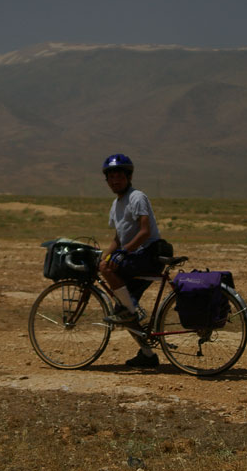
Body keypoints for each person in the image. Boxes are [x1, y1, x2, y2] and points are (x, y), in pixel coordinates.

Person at [98, 153, 166, 368]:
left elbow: (145, 232)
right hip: (133, 255)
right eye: (111, 178)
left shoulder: (137, 197)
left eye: (119, 177)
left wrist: (121, 254)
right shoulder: (116, 204)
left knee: (119, 293)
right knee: (122, 306)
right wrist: (104, 256)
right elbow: (118, 238)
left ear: (128, 177)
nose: (115, 181)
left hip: (148, 255)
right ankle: (148, 355)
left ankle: (130, 309)